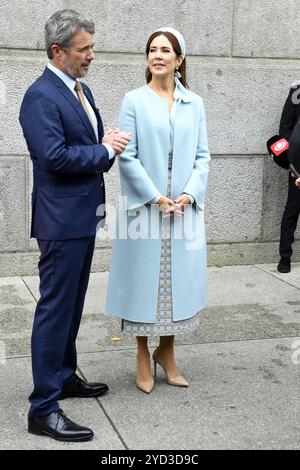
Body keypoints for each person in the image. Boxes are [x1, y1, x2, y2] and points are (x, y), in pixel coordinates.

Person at [19, 10, 131, 442]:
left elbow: (86, 143)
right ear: (57, 51)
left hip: (81, 218)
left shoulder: (78, 88)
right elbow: (55, 157)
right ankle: (42, 408)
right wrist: (104, 151)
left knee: (70, 307)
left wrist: (106, 143)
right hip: (61, 222)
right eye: (84, 49)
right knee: (55, 311)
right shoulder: (40, 96)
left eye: (91, 47)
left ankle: (65, 376)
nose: (91, 55)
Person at [105, 28, 210, 394]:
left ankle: (167, 352)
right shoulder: (133, 100)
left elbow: (202, 156)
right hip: (144, 208)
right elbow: (126, 155)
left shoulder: (194, 103)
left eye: (166, 50)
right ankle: (140, 353)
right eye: (152, 49)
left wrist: (187, 194)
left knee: (174, 285)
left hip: (182, 209)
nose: (158, 55)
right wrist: (154, 197)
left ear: (179, 60)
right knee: (141, 284)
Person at [277, 84, 300, 273]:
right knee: (292, 209)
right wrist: (290, 163)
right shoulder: (297, 91)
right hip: (299, 165)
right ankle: (285, 256)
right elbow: (285, 128)